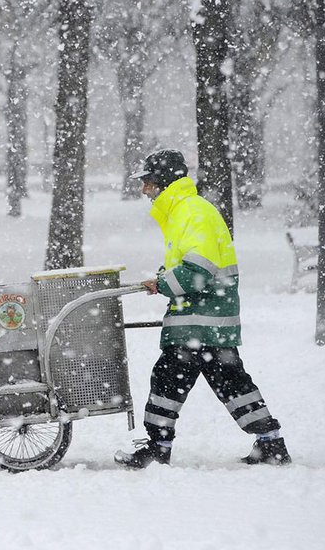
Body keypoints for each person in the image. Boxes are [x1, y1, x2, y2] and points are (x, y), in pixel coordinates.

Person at [115, 149, 291, 468]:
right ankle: (270, 442)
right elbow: (190, 263)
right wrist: (163, 277)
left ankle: (158, 446)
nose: (144, 190)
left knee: (168, 379)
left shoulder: (191, 212)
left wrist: (165, 283)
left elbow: (199, 270)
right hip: (207, 318)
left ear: (166, 182)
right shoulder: (185, 211)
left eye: (149, 182)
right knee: (231, 380)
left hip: (199, 320)